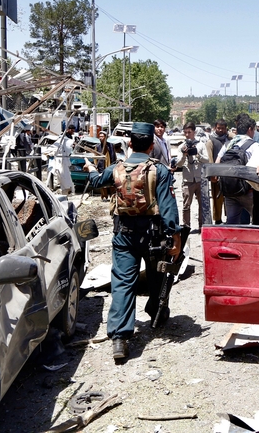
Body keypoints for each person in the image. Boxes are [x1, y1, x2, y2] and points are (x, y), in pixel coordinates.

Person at [82, 122, 180, 361]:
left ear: (129, 143)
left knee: (123, 282)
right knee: (157, 276)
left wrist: (91, 169)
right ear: (151, 145)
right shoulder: (160, 170)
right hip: (153, 235)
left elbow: (96, 182)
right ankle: (157, 313)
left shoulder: (117, 168)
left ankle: (119, 338)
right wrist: (175, 236)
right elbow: (168, 207)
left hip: (124, 234)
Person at [216, 115, 259, 224]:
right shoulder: (255, 146)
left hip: (229, 191)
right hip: (248, 192)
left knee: (232, 223)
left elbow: (217, 165)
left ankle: (232, 241)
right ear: (250, 129)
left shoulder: (228, 145)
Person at [177, 122, 211, 232]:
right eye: (185, 132)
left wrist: (197, 154)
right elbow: (178, 164)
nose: (187, 135)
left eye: (189, 132)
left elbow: (207, 160)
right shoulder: (181, 146)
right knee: (186, 205)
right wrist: (184, 155)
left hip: (200, 179)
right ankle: (186, 226)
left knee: (202, 204)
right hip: (188, 180)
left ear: (194, 132)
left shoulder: (201, 145)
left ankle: (202, 226)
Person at [206, 119, 230, 224]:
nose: (220, 130)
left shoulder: (229, 139)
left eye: (223, 128)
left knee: (229, 197)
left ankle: (230, 217)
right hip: (216, 173)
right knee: (217, 198)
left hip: (228, 172)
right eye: (218, 128)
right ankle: (218, 219)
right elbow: (210, 158)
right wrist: (213, 173)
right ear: (215, 128)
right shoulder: (211, 141)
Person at [96, 131, 117, 202]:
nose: (100, 138)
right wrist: (96, 165)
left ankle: (112, 196)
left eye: (102, 136)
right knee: (102, 182)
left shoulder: (111, 146)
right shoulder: (97, 146)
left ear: (106, 137)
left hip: (110, 166)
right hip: (101, 166)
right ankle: (104, 196)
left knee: (111, 182)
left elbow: (114, 155)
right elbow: (96, 157)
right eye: (100, 137)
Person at [55, 124, 76, 195]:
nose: (73, 132)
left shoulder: (70, 136)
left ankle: (67, 188)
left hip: (67, 156)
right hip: (61, 158)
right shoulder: (63, 136)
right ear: (69, 129)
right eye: (72, 130)